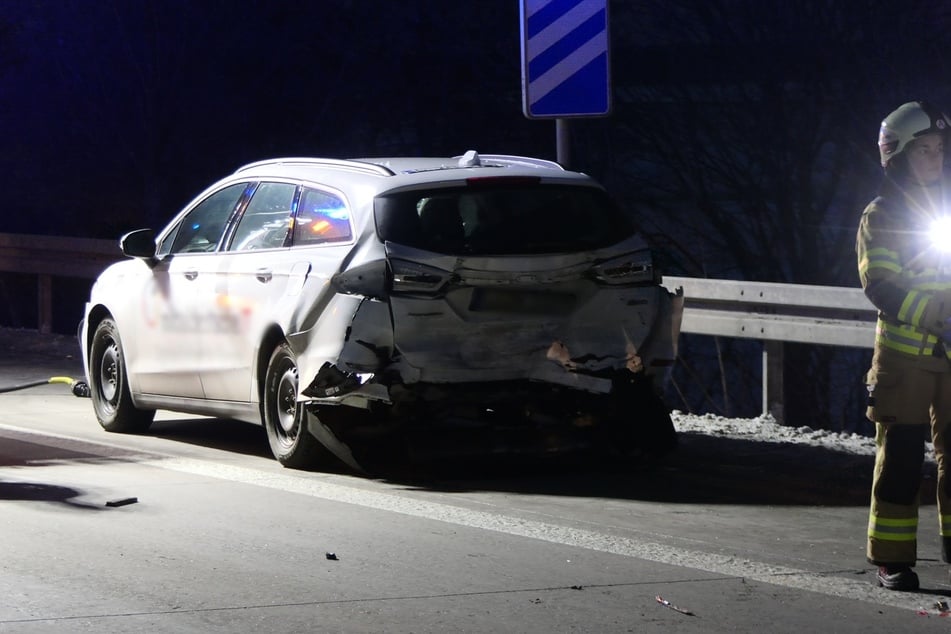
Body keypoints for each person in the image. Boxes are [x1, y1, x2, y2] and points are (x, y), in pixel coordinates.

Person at [857, 100, 951, 591]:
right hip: (903, 360)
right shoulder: (882, 214)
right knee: (902, 458)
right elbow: (882, 286)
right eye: (925, 152)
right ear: (897, 157)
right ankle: (893, 560)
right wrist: (941, 315)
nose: (935, 160)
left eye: (939, 150)